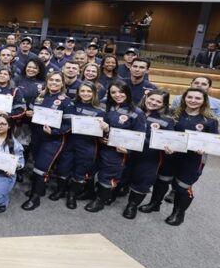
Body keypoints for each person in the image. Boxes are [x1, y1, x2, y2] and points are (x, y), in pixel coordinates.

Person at [140, 88, 218, 226]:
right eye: (190, 97)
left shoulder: (210, 120)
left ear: (204, 101)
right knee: (162, 180)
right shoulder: (173, 113)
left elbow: (212, 142)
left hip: (193, 159)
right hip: (170, 155)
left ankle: (178, 213)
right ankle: (155, 203)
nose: (193, 101)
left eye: (198, 98)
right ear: (184, 98)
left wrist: (204, 149)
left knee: (183, 186)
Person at [85, 81, 146, 213]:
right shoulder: (107, 106)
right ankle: (90, 193)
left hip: (116, 151)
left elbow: (139, 137)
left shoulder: (136, 112)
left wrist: (128, 150)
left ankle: (100, 200)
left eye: (121, 91)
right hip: (99, 145)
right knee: (90, 168)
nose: (117, 95)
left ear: (127, 92)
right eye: (113, 92)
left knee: (107, 175)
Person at [21, 72, 73, 211]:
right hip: (37, 137)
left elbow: (69, 125)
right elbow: (30, 113)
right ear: (47, 81)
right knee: (37, 163)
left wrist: (55, 132)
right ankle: (40, 189)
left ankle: (35, 198)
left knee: (41, 167)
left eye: (57, 80)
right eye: (51, 80)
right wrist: (28, 114)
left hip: (53, 140)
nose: (54, 83)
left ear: (62, 83)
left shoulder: (66, 101)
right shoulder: (39, 97)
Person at [121, 89, 174, 220]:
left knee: (143, 180)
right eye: (151, 99)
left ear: (164, 104)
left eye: (158, 101)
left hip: (149, 156)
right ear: (146, 98)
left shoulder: (167, 120)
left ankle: (132, 205)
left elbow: (169, 140)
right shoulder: (132, 111)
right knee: (123, 174)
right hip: (127, 152)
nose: (153, 102)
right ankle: (116, 192)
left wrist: (170, 147)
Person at [64, 81, 107, 209]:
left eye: (89, 91)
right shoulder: (71, 104)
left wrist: (104, 131)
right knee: (65, 166)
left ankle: (72, 195)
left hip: (87, 144)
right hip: (69, 141)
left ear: (94, 93)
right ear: (78, 92)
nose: (85, 94)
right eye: (82, 91)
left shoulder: (100, 110)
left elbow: (101, 133)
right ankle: (63, 189)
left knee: (81, 170)